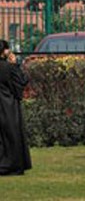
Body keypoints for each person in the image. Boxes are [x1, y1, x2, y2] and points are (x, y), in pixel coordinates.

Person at [0, 40, 31, 176]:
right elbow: (22, 81)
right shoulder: (8, 67)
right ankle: (10, 165)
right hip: (7, 105)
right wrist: (15, 65)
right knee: (11, 135)